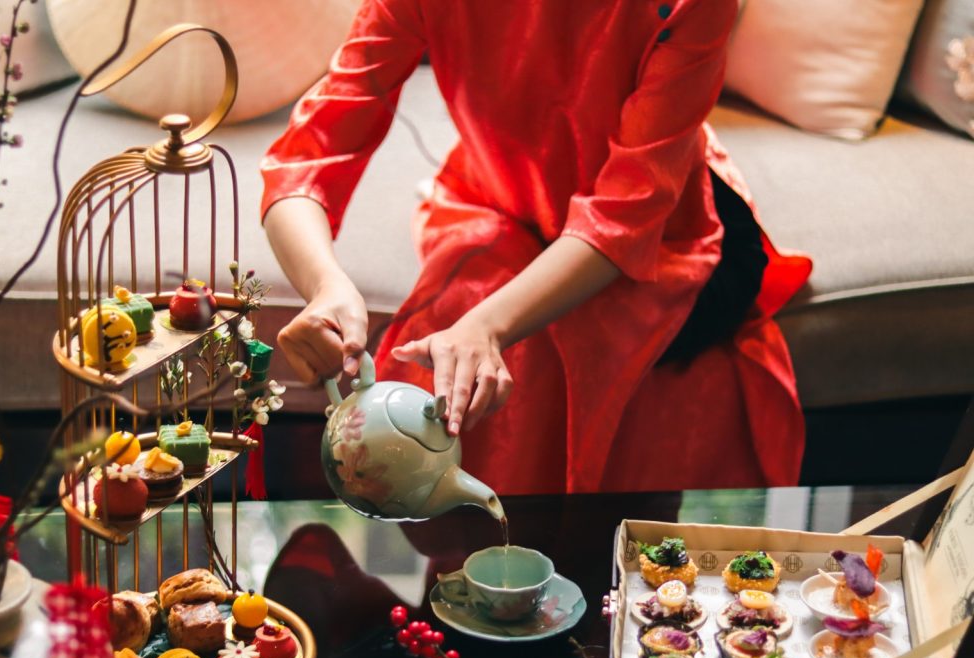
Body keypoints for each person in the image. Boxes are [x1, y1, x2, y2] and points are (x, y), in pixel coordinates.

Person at [261, 0, 812, 496]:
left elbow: (627, 209)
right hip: (504, 197)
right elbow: (309, 154)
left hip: (670, 233)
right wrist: (325, 287)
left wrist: (489, 327)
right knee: (466, 333)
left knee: (534, 351)